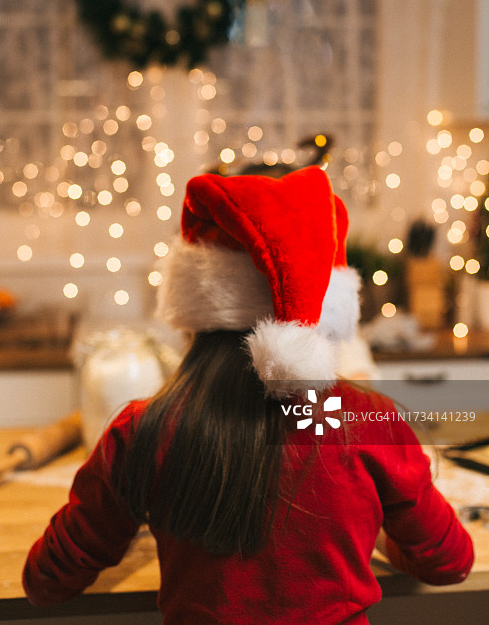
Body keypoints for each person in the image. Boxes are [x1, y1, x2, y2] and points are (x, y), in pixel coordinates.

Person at [23, 166, 473, 624]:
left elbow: (46, 582)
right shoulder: (362, 422)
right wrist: (372, 532)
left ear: (192, 312)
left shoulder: (143, 431)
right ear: (324, 321)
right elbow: (450, 563)